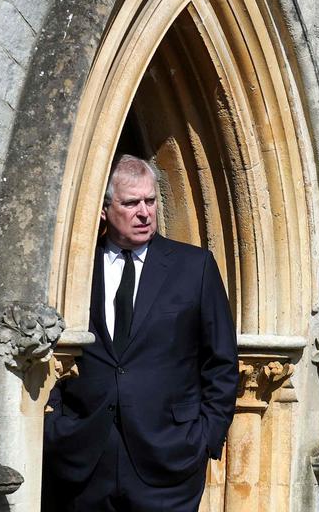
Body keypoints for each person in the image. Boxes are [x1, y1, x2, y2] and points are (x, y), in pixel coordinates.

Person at [43, 155, 238, 511]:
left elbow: (222, 362)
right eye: (131, 203)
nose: (145, 212)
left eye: (150, 200)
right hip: (81, 461)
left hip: (169, 462)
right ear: (104, 209)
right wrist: (54, 426)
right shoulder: (74, 269)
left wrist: (206, 438)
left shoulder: (195, 267)